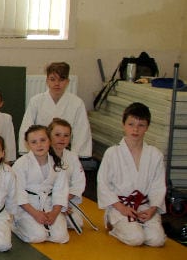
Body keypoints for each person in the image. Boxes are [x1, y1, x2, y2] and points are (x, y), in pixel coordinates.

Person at [97, 102, 166, 247]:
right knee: (136, 238)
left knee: (157, 240)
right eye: (131, 124)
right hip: (119, 206)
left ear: (147, 127)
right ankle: (113, 225)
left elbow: (158, 186)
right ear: (123, 125)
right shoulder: (112, 153)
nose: (135, 129)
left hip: (144, 206)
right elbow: (103, 184)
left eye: (141, 125)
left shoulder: (155, 155)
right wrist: (121, 208)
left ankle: (139, 224)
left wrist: (152, 209)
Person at [19, 62, 92, 158]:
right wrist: (27, 152)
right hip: (40, 150)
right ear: (47, 81)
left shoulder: (77, 103)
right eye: (52, 79)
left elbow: (81, 131)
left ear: (67, 81)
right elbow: (27, 126)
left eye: (61, 79)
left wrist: (74, 156)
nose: (57, 84)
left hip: (65, 151)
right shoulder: (36, 101)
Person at [13, 125, 69, 244]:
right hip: (27, 207)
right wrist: (35, 214)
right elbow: (18, 193)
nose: (39, 145)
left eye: (43, 140)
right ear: (28, 144)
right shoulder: (21, 164)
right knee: (38, 236)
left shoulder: (57, 163)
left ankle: (47, 226)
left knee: (61, 237)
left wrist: (54, 213)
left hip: (49, 205)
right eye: (34, 142)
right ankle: (14, 225)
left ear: (50, 141)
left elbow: (60, 191)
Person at [48, 118, 87, 231]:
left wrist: (63, 202)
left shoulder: (72, 157)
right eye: (57, 135)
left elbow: (79, 183)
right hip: (47, 201)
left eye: (66, 135)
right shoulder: (43, 156)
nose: (62, 138)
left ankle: (59, 217)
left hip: (66, 200)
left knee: (78, 222)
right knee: (56, 226)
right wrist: (57, 205)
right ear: (49, 135)